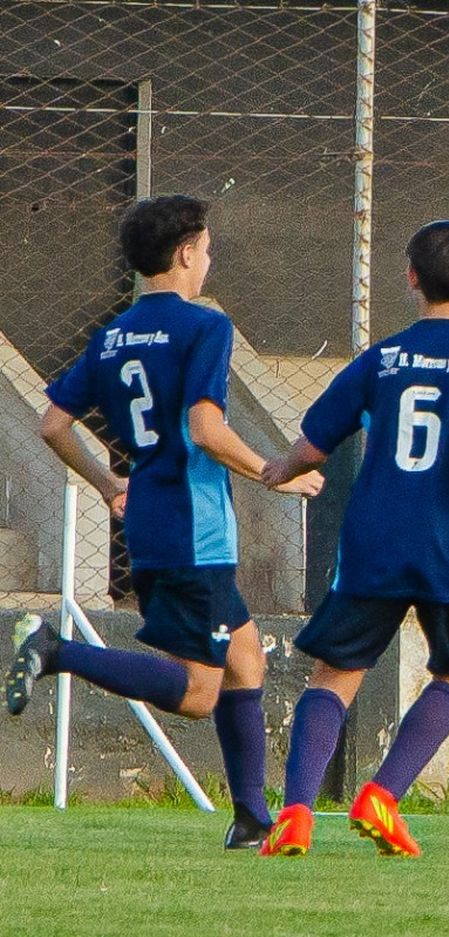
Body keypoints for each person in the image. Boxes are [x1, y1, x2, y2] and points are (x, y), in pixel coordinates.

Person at [6, 194, 323, 849]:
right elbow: (206, 429)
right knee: (200, 691)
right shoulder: (204, 327)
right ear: (184, 254)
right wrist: (275, 469)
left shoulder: (113, 333)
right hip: (193, 530)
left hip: (148, 518)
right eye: (206, 250)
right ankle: (55, 648)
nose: (208, 261)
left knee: (244, 658)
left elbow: (52, 422)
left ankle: (250, 816)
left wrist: (105, 482)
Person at [257, 220, 449, 858]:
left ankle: (296, 813)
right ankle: (382, 797)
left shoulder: (380, 359)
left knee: (334, 677)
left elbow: (314, 443)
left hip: (373, 544)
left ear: (411, 277)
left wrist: (280, 470)